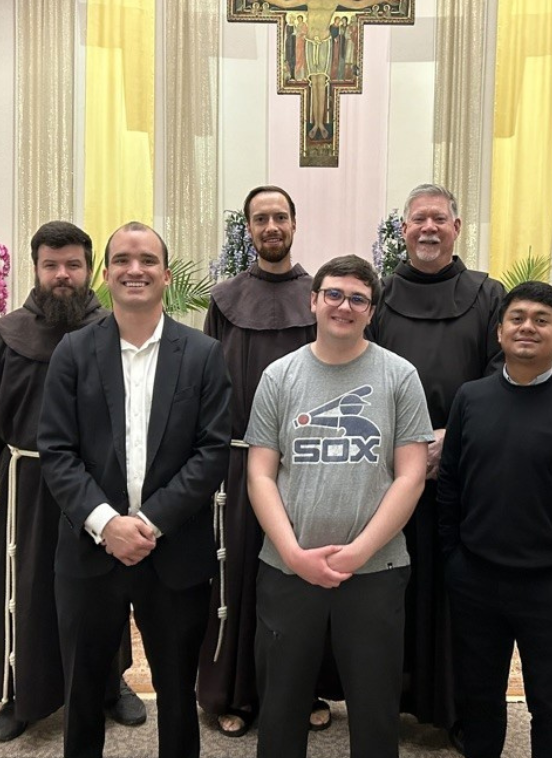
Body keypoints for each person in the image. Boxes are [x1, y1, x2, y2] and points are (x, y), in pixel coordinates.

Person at [38, 222, 232, 758]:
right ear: (106, 276)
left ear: (166, 275)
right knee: (83, 689)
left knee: (175, 692)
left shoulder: (202, 354)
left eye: (147, 259)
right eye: (122, 259)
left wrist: (147, 524)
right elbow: (56, 450)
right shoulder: (74, 353)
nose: (135, 269)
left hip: (173, 552)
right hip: (89, 551)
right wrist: (106, 523)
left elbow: (211, 452)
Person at [245, 255, 434, 758]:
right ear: (313, 300)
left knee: (375, 712)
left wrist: (358, 552)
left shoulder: (399, 376)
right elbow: (260, 473)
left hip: (376, 569)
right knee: (282, 707)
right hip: (286, 569)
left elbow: (411, 475)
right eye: (333, 294)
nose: (343, 306)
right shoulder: (279, 376)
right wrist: (292, 553)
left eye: (357, 298)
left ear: (371, 310)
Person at [0, 220, 145, 742]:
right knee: (27, 589)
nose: (62, 275)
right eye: (52, 265)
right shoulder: (5, 335)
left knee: (105, 587)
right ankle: (24, 695)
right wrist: (18, 466)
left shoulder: (115, 329)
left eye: (73, 265)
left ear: (90, 269)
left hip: (98, 484)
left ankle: (111, 684)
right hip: (30, 482)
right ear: (36, 268)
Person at [438, 281, 552, 758]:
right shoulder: (470, 400)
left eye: (542, 319)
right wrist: (454, 559)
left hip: (551, 588)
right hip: (476, 581)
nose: (528, 327)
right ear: (499, 332)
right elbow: (450, 485)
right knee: (480, 703)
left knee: (550, 705)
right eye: (517, 318)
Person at [365, 183, 505, 733]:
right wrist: (403, 446)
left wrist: (453, 436)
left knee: (458, 593)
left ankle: (456, 709)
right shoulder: (377, 297)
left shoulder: (487, 295)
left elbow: (501, 372)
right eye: (418, 219)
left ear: (457, 227)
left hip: (461, 474)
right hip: (386, 472)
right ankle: (390, 702)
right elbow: (358, 371)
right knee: (390, 588)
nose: (428, 228)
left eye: (438, 219)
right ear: (403, 231)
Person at [196, 186, 320, 737]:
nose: (271, 226)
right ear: (247, 228)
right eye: (260, 218)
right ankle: (233, 693)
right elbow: (206, 384)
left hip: (309, 460)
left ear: (295, 224)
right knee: (238, 575)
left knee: (305, 577)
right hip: (240, 458)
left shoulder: (321, 296)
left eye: (280, 217)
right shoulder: (224, 301)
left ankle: (304, 689)